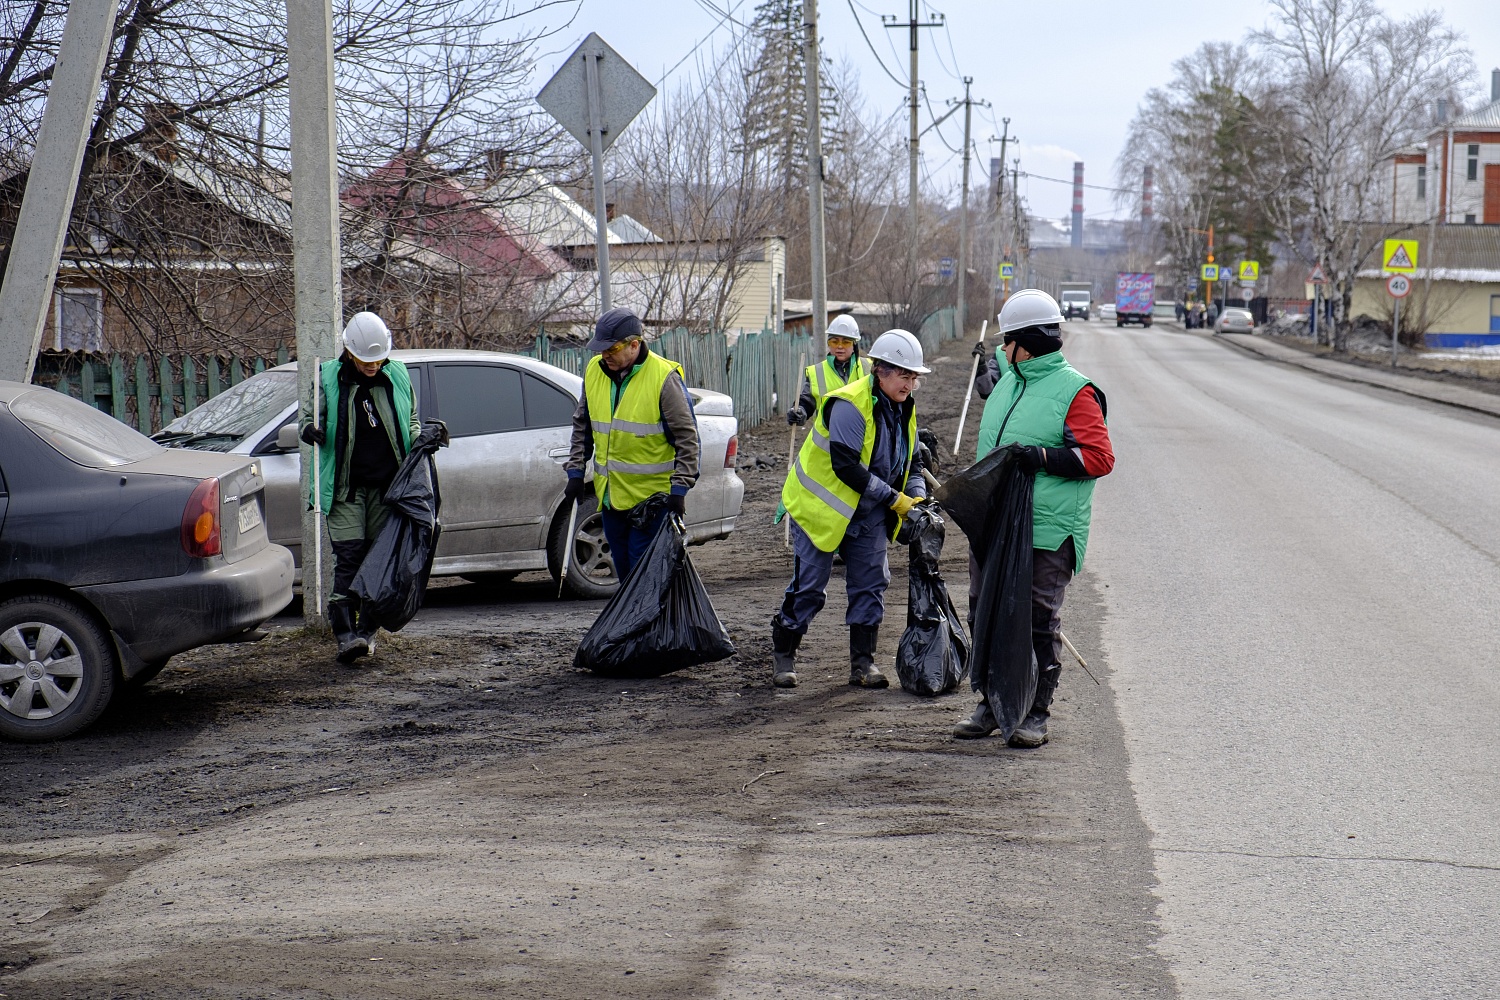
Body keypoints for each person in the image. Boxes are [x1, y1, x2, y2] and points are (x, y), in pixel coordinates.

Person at [953, 289, 1114, 747]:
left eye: (1008, 342)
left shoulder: (1076, 392)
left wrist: (1041, 456)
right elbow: (995, 382)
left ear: (1026, 343)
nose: (1003, 351)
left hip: (1047, 530)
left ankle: (1036, 712)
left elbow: (1100, 458)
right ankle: (990, 703)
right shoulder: (1010, 377)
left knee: (1038, 618)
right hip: (996, 524)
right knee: (985, 608)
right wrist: (988, 368)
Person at [771, 329, 930, 690]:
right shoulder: (850, 405)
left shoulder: (904, 408)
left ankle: (863, 664)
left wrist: (916, 498)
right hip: (820, 508)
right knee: (809, 587)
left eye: (914, 377)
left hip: (867, 510)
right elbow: (847, 467)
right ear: (880, 371)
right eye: (904, 374)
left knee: (871, 583)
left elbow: (914, 461)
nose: (910, 383)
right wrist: (895, 500)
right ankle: (784, 654)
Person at [300, 311, 420, 664]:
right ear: (350, 352)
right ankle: (344, 635)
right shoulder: (328, 378)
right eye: (366, 359)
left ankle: (367, 633)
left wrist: (423, 438)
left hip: (388, 490)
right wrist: (309, 429)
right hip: (345, 490)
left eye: (378, 358)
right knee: (350, 559)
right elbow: (309, 417)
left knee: (377, 562)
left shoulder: (396, 374)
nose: (373, 365)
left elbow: (409, 421)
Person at [564, 307, 699, 581]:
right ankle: (637, 623)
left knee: (644, 575)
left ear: (634, 345)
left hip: (652, 502)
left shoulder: (663, 378)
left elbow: (687, 438)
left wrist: (680, 489)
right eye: (600, 350)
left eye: (611, 349)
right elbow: (583, 424)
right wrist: (576, 471)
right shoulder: (595, 371)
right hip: (612, 498)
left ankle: (651, 623)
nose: (604, 356)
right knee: (625, 573)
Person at [786, 314, 872, 426]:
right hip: (827, 441)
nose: (840, 346)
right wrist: (798, 413)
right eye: (834, 342)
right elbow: (806, 402)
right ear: (828, 344)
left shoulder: (869, 368)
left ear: (854, 345)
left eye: (846, 342)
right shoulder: (817, 372)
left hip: (860, 438)